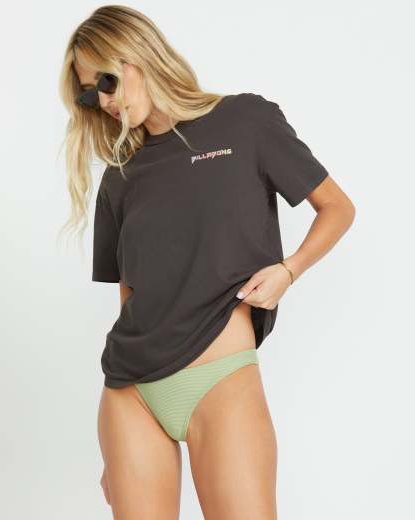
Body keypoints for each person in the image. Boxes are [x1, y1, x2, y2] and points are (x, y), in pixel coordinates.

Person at [59, 5, 355, 519]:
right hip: (130, 394)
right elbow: (130, 293)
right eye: (89, 94)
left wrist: (289, 270)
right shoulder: (119, 176)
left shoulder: (246, 121)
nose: (103, 101)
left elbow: (337, 208)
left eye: (106, 81)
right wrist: (115, 451)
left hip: (221, 379)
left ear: (140, 56)